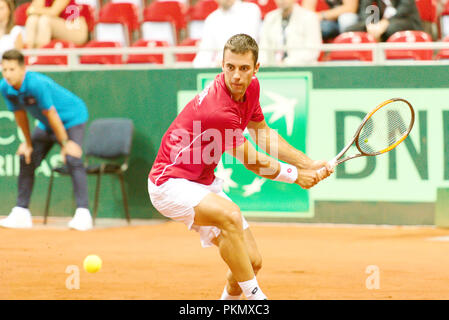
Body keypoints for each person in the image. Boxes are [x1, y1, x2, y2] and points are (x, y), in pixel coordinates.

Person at [148, 34, 333, 300]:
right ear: (221, 65)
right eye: (230, 67)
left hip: (201, 182)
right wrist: (296, 177)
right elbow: (252, 161)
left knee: (251, 262)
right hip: (169, 183)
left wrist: (308, 163)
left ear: (255, 69)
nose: (235, 75)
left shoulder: (252, 88)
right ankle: (258, 299)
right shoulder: (217, 109)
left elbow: (263, 134)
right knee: (231, 215)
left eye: (244, 68)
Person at [0, 49, 92, 231]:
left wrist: (65, 145)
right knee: (26, 158)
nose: (8, 74)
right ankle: (21, 212)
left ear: (23, 69)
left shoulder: (36, 84)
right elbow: (20, 116)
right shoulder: (5, 87)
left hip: (71, 118)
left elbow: (52, 113)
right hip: (46, 125)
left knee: (73, 158)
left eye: (12, 69)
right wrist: (27, 143)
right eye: (4, 70)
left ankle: (83, 213)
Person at [192, 0, 261, 68]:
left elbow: (248, 47)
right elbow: (204, 54)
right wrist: (214, 64)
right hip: (221, 69)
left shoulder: (251, 10)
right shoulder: (211, 19)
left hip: (247, 67)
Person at [259, 0, 322, 66]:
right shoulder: (270, 17)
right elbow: (263, 48)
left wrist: (286, 63)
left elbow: (312, 51)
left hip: (302, 69)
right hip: (274, 69)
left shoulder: (310, 17)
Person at [344, 0, 423, 42]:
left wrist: (386, 22)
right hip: (381, 23)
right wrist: (370, 24)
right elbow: (366, 6)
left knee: (391, 28)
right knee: (350, 31)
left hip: (405, 20)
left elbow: (405, 9)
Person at [24, 0, 89, 48]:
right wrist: (34, 10)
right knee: (32, 19)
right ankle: (28, 55)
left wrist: (34, 10)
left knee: (45, 20)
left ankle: (39, 57)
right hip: (60, 26)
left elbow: (53, 12)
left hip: (75, 29)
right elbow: (30, 11)